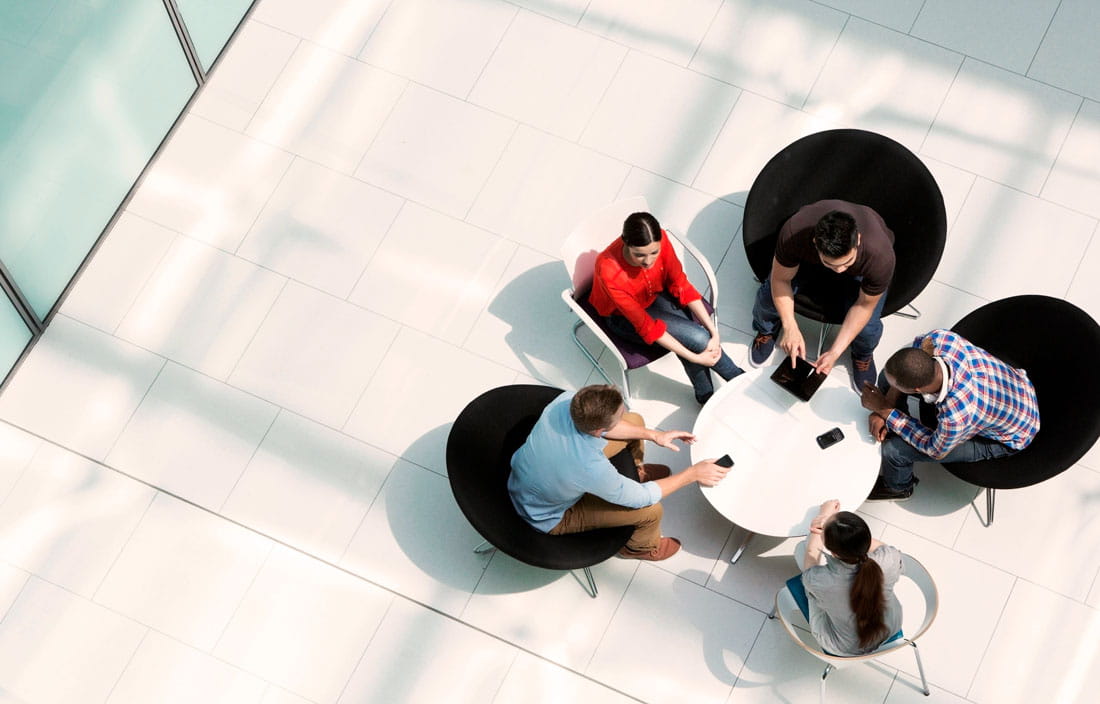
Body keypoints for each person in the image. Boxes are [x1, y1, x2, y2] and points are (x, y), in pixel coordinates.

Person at [508, 384, 730, 561]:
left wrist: (654, 435)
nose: (623, 414)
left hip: (538, 474)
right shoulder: (590, 467)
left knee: (636, 422)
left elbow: (613, 428)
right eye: (617, 416)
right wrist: (692, 474)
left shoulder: (566, 400)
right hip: (547, 515)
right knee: (651, 511)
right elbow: (641, 498)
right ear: (599, 431)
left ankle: (636, 473)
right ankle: (640, 548)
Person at [860, 329, 1040, 501]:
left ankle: (898, 488)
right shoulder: (940, 339)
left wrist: (886, 411)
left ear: (917, 390)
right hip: (1015, 390)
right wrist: (886, 408)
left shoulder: (956, 416)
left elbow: (934, 449)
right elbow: (910, 358)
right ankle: (894, 424)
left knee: (893, 451)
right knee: (887, 377)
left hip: (1009, 437)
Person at [589, 212, 743, 405]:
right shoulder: (609, 270)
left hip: (653, 295)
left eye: (654, 252)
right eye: (639, 255)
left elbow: (681, 285)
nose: (648, 261)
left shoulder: (662, 238)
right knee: (698, 338)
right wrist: (695, 357)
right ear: (625, 243)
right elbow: (648, 328)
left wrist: (714, 330)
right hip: (622, 317)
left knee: (700, 336)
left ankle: (707, 396)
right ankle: (738, 380)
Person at [749, 200, 895, 392]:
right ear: (815, 243)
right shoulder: (794, 233)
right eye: (832, 264)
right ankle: (766, 330)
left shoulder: (880, 257)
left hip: (860, 271)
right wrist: (790, 326)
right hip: (810, 262)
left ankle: (862, 355)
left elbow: (864, 306)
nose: (840, 271)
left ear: (858, 239)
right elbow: (780, 281)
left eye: (847, 262)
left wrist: (835, 352)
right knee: (768, 297)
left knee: (868, 329)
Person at [793, 500, 904, 656]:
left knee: (800, 550)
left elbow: (810, 562)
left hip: (845, 647)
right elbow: (881, 548)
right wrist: (838, 526)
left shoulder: (822, 581)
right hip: (889, 626)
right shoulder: (888, 559)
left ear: (834, 553)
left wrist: (822, 518)